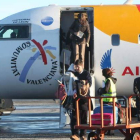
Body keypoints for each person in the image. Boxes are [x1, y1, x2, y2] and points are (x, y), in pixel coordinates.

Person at [70, 59, 92, 140]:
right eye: (75, 67)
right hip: (76, 100)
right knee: (74, 117)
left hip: (83, 100)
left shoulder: (86, 73)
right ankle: (75, 134)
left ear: (82, 66)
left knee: (83, 117)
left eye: (77, 67)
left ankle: (83, 135)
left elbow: (89, 83)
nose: (76, 68)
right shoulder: (74, 74)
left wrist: (82, 84)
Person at [97, 68, 117, 135]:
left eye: (103, 73)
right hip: (112, 100)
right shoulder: (112, 80)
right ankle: (111, 131)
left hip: (107, 100)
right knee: (111, 116)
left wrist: (100, 90)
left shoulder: (108, 80)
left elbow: (106, 90)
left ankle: (108, 130)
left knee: (106, 116)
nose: (102, 74)